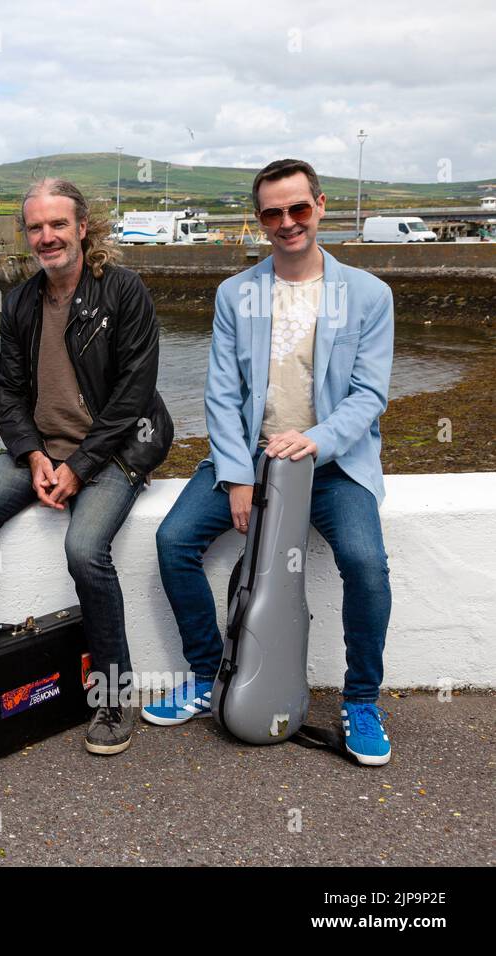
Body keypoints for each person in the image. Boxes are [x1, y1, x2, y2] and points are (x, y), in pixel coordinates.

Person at [144, 158, 395, 766]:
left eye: (298, 208)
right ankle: (210, 677)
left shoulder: (368, 294)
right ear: (260, 220)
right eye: (273, 213)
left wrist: (316, 441)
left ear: (321, 206)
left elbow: (369, 394)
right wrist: (235, 477)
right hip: (250, 460)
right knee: (174, 542)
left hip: (332, 464)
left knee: (366, 562)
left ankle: (361, 699)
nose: (288, 223)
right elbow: (222, 394)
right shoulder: (237, 294)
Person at [0, 178, 173, 756]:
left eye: (58, 225)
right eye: (36, 227)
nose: (47, 237)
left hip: (117, 450)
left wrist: (79, 466)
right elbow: (5, 387)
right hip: (44, 450)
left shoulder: (123, 292)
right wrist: (33, 455)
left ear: (82, 227)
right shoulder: (22, 300)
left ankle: (111, 695)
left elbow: (132, 395)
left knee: (84, 550)